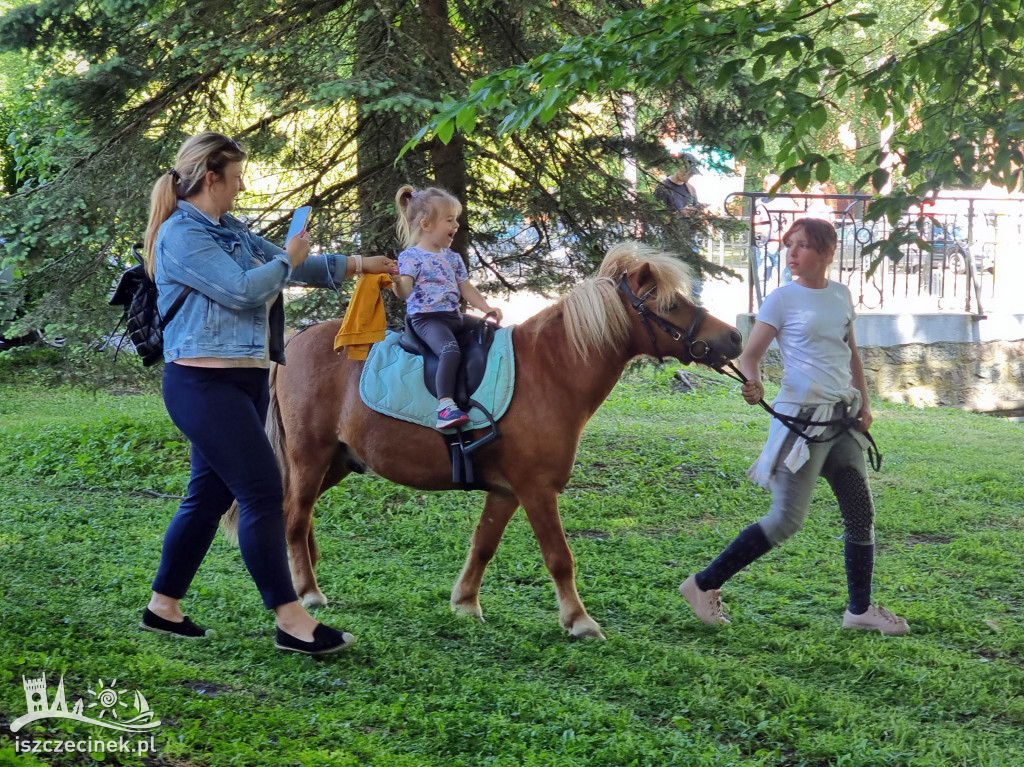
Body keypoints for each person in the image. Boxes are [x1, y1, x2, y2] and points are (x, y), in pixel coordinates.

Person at [140, 132, 397, 655]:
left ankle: (163, 606)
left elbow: (287, 263)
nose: (239, 189)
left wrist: (357, 265)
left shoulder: (226, 228)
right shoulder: (181, 236)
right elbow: (244, 289)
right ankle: (292, 619)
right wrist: (287, 259)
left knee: (207, 496)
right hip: (203, 384)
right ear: (210, 178)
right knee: (260, 491)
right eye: (235, 179)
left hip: (247, 380)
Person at [679, 217, 909, 636]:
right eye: (789, 245)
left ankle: (859, 610)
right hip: (800, 424)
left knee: (860, 513)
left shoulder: (840, 296)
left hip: (842, 421)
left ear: (825, 252)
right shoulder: (782, 299)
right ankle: (702, 584)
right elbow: (750, 356)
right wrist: (753, 381)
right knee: (786, 519)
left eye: (801, 246)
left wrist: (865, 402)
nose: (791, 253)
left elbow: (851, 354)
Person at [391, 185, 503, 429]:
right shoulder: (411, 257)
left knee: (495, 332)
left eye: (456, 220)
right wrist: (397, 283)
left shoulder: (452, 257)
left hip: (453, 315)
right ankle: (445, 406)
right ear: (426, 224)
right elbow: (405, 291)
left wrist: (486, 310)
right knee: (449, 350)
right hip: (427, 319)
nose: (456, 226)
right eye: (449, 220)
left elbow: (466, 288)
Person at [654, 152, 707, 301]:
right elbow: (657, 218)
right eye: (688, 173)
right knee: (668, 281)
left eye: (692, 174)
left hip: (690, 239)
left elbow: (696, 213)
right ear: (678, 167)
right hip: (670, 242)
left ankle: (696, 307)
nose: (690, 177)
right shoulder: (662, 189)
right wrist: (679, 214)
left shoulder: (690, 189)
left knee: (695, 281)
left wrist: (697, 213)